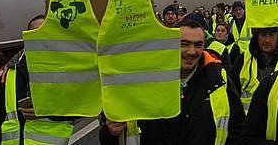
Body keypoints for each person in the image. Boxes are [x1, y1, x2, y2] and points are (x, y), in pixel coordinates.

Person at [99, 18, 245, 145]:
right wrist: (111, 132)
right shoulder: (145, 79)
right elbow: (111, 137)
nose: (192, 51)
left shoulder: (218, 78)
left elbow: (238, 129)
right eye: (185, 44)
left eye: (198, 45)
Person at [0, 15, 77, 145]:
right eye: (34, 32)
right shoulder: (11, 69)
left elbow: (82, 108)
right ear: (26, 37)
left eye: (44, 32)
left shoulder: (66, 68)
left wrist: (47, 112)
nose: (39, 37)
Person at [231, 27, 278, 114]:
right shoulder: (244, 59)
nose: (267, 40)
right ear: (257, 36)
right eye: (263, 35)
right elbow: (232, 94)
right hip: (247, 123)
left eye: (271, 35)